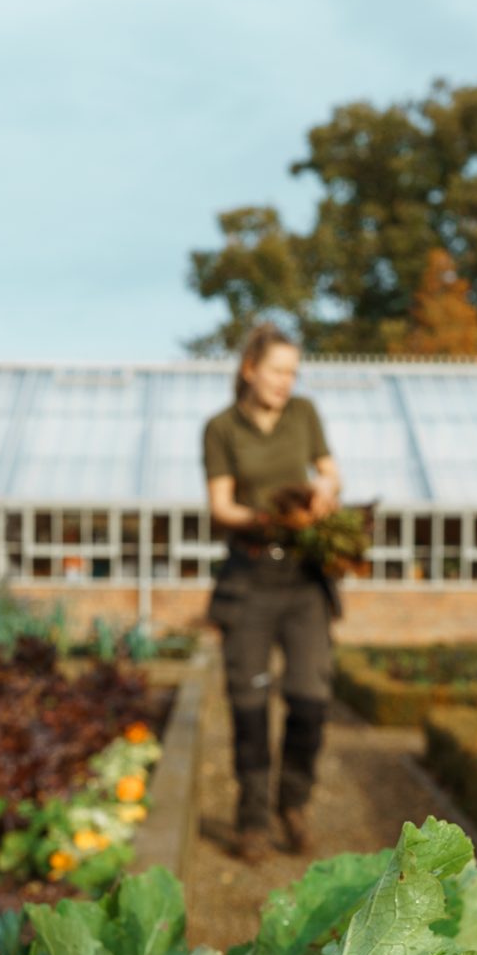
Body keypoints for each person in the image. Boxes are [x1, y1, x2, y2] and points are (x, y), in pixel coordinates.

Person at [203, 326, 341, 860]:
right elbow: (221, 506)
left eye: (292, 372)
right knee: (249, 702)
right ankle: (253, 819)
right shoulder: (221, 428)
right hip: (250, 578)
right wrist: (268, 518)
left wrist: (324, 493)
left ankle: (294, 804)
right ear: (249, 369)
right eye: (278, 370)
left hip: (304, 580)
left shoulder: (304, 414)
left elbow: (330, 474)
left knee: (310, 697)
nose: (287, 381)